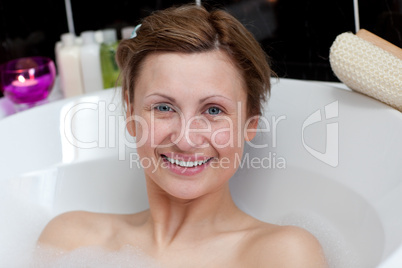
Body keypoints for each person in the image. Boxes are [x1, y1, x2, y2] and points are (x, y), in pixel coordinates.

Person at [38, 4, 327, 267]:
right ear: (130, 113)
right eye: (163, 107)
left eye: (213, 110)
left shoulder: (282, 255)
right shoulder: (69, 241)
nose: (186, 139)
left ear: (251, 121)